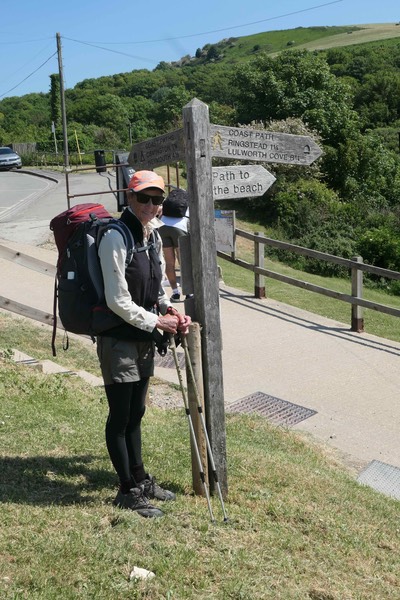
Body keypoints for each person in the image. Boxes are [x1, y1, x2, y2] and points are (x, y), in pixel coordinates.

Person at [96, 170, 191, 518]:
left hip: (142, 337)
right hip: (118, 338)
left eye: (157, 199)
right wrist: (157, 321)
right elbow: (117, 299)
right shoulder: (115, 236)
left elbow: (157, 286)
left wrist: (169, 311)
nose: (151, 205)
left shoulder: (150, 235)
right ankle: (127, 490)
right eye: (144, 198)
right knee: (120, 416)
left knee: (136, 413)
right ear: (130, 197)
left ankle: (140, 477)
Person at [158, 188, 190, 302]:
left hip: (163, 227)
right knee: (183, 263)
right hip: (179, 229)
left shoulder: (168, 204)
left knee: (169, 262)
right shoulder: (187, 203)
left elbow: (160, 214)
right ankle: (188, 292)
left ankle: (175, 293)